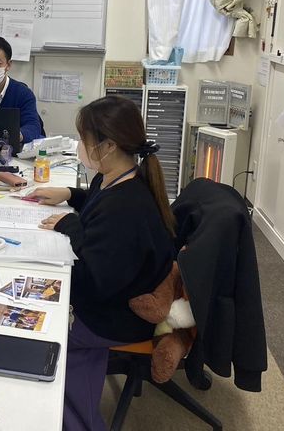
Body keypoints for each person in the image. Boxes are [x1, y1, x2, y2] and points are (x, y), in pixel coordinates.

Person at [28, 95, 176, 431]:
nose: (80, 146)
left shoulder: (126, 209)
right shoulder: (118, 176)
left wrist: (69, 225)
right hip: (118, 293)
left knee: (46, 336)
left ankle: (80, 421)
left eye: (84, 139)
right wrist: (69, 195)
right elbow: (96, 205)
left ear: (108, 146)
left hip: (118, 315)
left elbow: (93, 283)